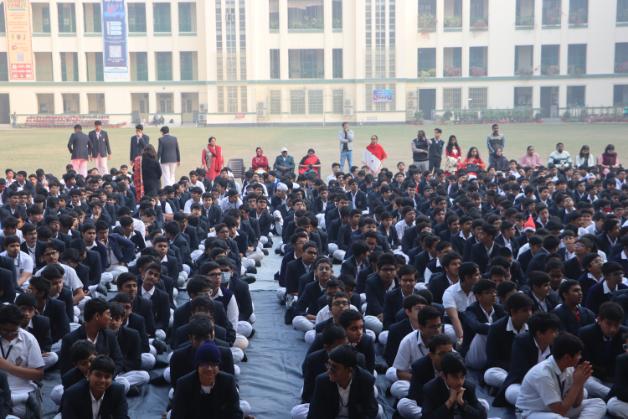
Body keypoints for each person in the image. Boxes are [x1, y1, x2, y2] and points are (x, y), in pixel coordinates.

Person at [515, 333, 607, 419]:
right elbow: (560, 411)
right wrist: (577, 384)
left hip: (556, 410)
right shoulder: (543, 374)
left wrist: (581, 382)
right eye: (578, 354)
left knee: (598, 403)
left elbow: (576, 404)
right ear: (567, 357)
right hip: (531, 413)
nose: (580, 357)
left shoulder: (569, 368)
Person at [171, 341, 244, 419]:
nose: (209, 369)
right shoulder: (184, 384)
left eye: (213, 365)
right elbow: (177, 415)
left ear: (218, 367)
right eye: (205, 364)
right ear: (197, 366)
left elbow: (236, 412)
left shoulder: (228, 381)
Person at [306, 344, 379, 419]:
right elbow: (315, 413)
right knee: (299, 411)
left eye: (334, 367)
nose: (329, 371)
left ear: (349, 370)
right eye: (329, 365)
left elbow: (371, 411)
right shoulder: (322, 381)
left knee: (379, 412)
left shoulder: (366, 380)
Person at [0, 304, 44, 418]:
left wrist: (8, 366)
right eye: (5, 331)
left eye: (14, 331)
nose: (9, 335)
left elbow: (38, 374)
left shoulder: (28, 339)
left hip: (22, 391)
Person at [60, 355, 129, 419]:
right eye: (98, 375)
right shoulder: (73, 394)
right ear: (88, 375)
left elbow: (122, 416)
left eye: (107, 377)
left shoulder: (118, 391)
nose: (102, 380)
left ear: (112, 379)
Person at [421, 352, 487, 419]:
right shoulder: (431, 389)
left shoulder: (468, 386)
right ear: (443, 375)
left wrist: (463, 404)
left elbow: (482, 416)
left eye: (462, 376)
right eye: (455, 377)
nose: (460, 382)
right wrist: (449, 402)